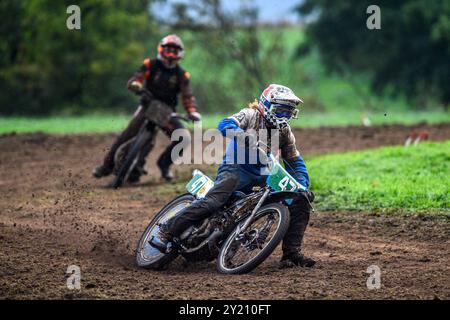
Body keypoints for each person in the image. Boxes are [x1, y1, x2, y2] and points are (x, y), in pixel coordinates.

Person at [154, 84, 316, 268]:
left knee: (301, 200)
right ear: (265, 105)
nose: (284, 117)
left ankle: (291, 254)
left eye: (288, 113)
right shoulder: (250, 114)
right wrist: (241, 135)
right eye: (280, 111)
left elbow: (295, 161)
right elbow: (224, 124)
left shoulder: (285, 132)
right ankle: (167, 230)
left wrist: (302, 186)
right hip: (235, 168)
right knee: (215, 201)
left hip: (263, 176)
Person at [92, 34, 201, 182]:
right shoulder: (150, 64)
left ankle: (164, 165)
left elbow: (187, 96)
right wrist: (136, 84)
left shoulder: (182, 75)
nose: (170, 55)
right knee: (126, 136)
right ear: (161, 50)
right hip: (148, 106)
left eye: (174, 51)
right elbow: (137, 77)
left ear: (180, 54)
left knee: (183, 138)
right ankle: (106, 167)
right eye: (168, 50)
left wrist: (192, 111)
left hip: (167, 112)